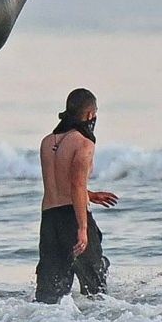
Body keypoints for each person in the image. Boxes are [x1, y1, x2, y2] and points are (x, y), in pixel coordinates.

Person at [34, 89, 118, 303]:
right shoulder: (83, 143)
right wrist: (82, 228)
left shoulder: (46, 142)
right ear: (90, 115)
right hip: (73, 218)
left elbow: (59, 183)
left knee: (48, 297)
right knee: (95, 290)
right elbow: (76, 184)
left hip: (50, 221)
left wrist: (90, 194)